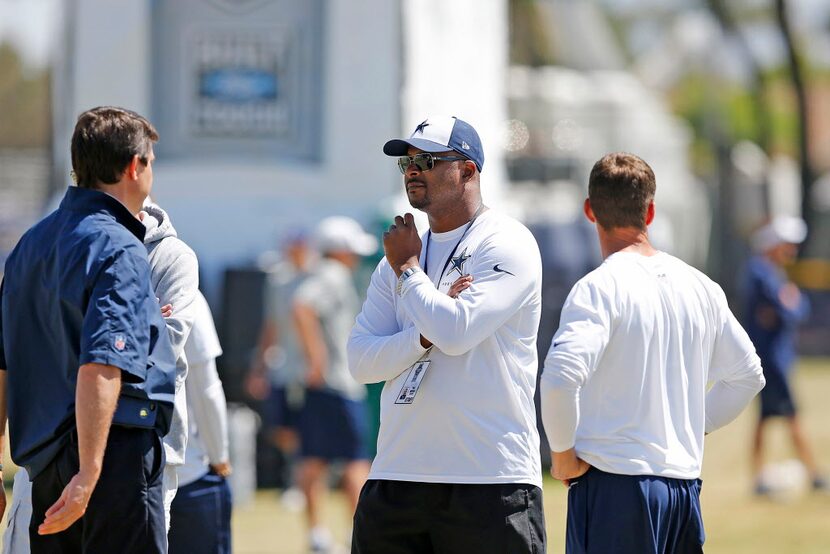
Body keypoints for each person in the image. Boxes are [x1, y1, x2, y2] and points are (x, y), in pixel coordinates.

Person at [540, 152, 766, 554]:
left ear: (590, 211)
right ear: (652, 211)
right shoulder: (701, 287)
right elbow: (748, 376)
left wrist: (561, 458)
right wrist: (693, 425)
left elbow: (560, 376)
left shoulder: (599, 287)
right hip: (682, 488)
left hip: (615, 486)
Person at [347, 116, 546, 553]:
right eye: (408, 162)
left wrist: (412, 274)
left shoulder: (506, 242)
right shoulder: (395, 261)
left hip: (488, 480)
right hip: (398, 476)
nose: (413, 170)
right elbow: (361, 362)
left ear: (468, 171)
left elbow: (456, 333)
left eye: (429, 160)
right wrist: (422, 335)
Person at [0, 106, 176, 553]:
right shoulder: (119, 246)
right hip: (108, 460)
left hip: (45, 463)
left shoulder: (29, 245)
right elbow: (102, 362)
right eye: (151, 160)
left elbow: (3, 363)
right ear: (134, 166)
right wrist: (90, 473)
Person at [294, 216, 376, 553]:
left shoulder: (320, 272)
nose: (355, 257)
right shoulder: (334, 274)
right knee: (356, 461)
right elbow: (302, 308)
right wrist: (317, 359)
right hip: (339, 384)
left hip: (325, 385)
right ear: (339, 250)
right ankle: (359, 535)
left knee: (314, 458)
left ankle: (318, 536)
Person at [743, 216, 828, 495]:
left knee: (766, 418)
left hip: (776, 357)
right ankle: (814, 475)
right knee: (791, 415)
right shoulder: (760, 272)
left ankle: (758, 478)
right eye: (786, 244)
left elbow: (797, 308)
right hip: (771, 360)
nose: (791, 250)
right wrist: (786, 302)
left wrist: (787, 303)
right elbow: (788, 309)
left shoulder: (773, 272)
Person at [138, 200, 200, 527]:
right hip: (54, 451)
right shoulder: (50, 244)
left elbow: (167, 342)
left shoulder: (174, 256)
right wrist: (144, 317)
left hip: (146, 445)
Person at [247, 230, 312, 494]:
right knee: (282, 428)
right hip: (284, 368)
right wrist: (259, 367)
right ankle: (293, 478)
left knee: (308, 427)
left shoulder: (317, 278)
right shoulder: (278, 281)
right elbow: (271, 326)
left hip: (311, 370)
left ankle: (301, 481)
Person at [169, 291, 233, 554]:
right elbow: (206, 388)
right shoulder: (186, 294)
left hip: (113, 475)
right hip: (187, 473)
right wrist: (219, 457)